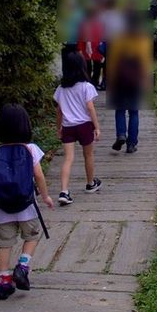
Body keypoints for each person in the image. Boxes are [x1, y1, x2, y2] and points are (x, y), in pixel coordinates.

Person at [0, 104, 53, 300]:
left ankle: (4, 282)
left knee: (4, 244)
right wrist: (45, 196)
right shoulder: (30, 149)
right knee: (31, 237)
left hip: (3, 208)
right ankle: (22, 266)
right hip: (27, 206)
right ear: (25, 126)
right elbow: (38, 175)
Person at [53, 52, 101, 206]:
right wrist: (96, 127)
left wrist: (58, 127)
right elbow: (90, 108)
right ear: (82, 67)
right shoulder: (87, 87)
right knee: (88, 156)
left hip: (68, 126)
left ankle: (64, 191)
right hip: (84, 125)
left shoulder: (61, 89)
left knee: (68, 158)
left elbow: (59, 111)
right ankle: (90, 183)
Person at [107, 12, 152, 154]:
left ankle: (121, 134)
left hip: (120, 78)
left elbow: (113, 60)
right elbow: (145, 62)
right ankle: (131, 144)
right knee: (134, 112)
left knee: (120, 109)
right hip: (136, 78)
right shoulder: (143, 40)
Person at [77, 8, 105, 89]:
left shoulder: (90, 22)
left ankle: (90, 82)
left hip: (95, 45)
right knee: (93, 65)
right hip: (90, 46)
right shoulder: (90, 22)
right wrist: (88, 46)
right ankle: (91, 82)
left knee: (91, 65)